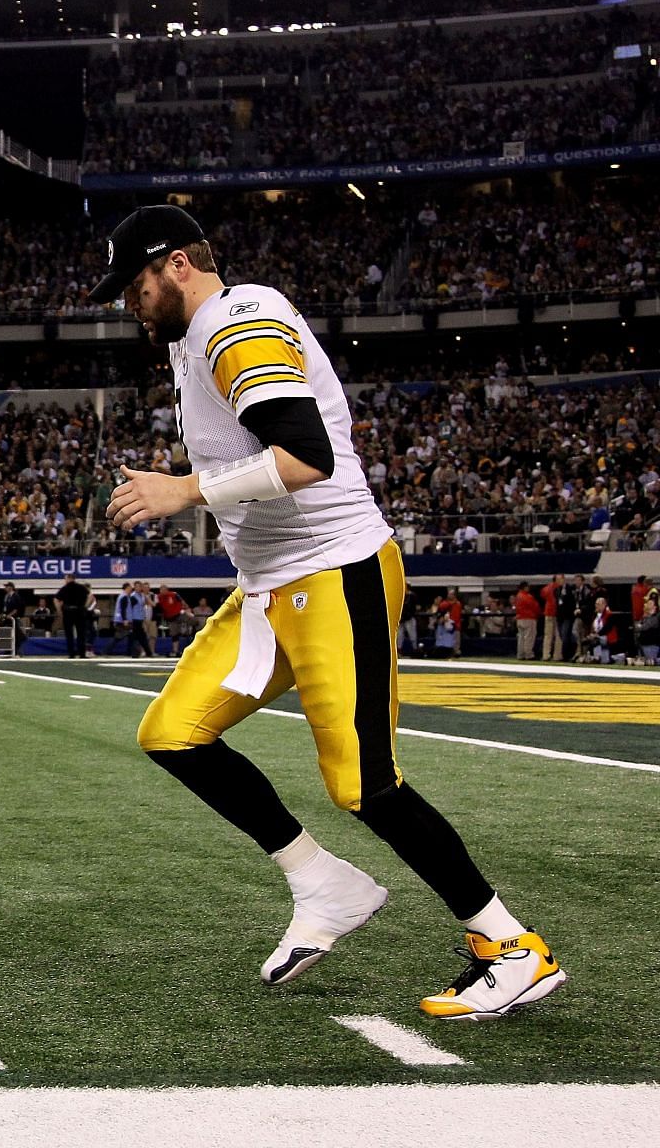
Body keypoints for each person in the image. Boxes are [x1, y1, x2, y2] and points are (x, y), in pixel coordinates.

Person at [95, 203, 562, 1019]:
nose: (127, 303)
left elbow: (305, 456)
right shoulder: (196, 334)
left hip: (333, 570)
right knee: (173, 731)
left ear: (176, 265)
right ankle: (323, 883)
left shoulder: (234, 318)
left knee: (365, 783)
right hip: (273, 584)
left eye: (133, 283)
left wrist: (186, 490)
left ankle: (511, 946)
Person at [54, 574, 93, 659]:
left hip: (68, 612)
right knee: (81, 634)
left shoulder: (65, 588)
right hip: (79, 611)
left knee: (69, 634)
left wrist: (59, 611)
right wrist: (85, 606)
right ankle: (82, 653)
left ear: (68, 579)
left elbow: (56, 599)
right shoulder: (81, 587)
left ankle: (71, 653)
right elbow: (90, 596)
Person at [511, 582, 541, 661]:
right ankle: (529, 654)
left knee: (521, 638)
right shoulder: (527, 596)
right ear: (525, 587)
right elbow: (535, 607)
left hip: (520, 619)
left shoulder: (517, 596)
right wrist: (538, 614)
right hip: (529, 619)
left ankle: (520, 654)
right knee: (529, 637)